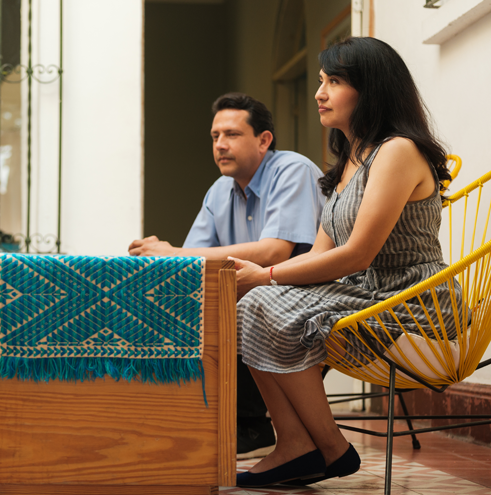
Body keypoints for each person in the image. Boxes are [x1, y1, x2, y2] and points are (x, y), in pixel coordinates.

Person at [231, 37, 457, 488]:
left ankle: (330, 448)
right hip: (362, 289)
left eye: (334, 82)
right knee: (251, 305)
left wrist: (268, 274)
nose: (320, 93)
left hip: (408, 296)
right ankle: (295, 443)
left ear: (370, 91)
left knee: (261, 300)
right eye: (321, 81)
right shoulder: (351, 160)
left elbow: (356, 254)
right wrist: (260, 282)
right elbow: (320, 255)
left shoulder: (397, 151)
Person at [129, 92, 325, 460]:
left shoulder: (292, 170)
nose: (220, 145)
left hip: (305, 301)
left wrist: (175, 253)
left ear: (263, 140)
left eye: (232, 134)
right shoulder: (220, 190)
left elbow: (274, 252)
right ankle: (181, 417)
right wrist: (157, 258)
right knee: (181, 300)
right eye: (215, 136)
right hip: (259, 304)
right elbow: (188, 266)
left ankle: (250, 425)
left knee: (244, 304)